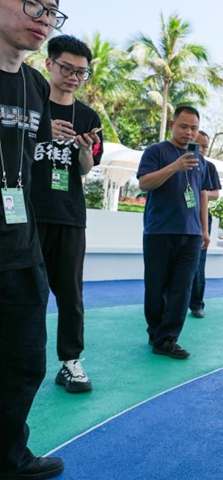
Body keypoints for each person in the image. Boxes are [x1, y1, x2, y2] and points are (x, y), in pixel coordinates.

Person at [0, 0, 66, 478]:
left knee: (25, 363)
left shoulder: (35, 85)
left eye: (54, 11)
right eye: (33, 4)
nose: (44, 17)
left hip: (23, 248)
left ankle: (10, 457)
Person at [30, 34, 103, 394]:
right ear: (49, 64)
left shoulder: (88, 116)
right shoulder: (30, 102)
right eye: (67, 68)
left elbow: (87, 169)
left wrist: (84, 149)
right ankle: (21, 359)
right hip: (27, 213)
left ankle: (70, 362)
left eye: (81, 72)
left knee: (71, 293)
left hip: (70, 214)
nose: (74, 77)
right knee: (24, 291)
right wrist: (44, 135)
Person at [137, 106, 212, 360]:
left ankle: (168, 338)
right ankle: (155, 330)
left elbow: (202, 194)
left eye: (194, 128)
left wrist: (203, 229)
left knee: (182, 288)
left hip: (191, 234)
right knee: (156, 287)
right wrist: (174, 167)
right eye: (184, 126)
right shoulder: (156, 152)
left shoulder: (200, 160)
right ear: (172, 125)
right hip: (159, 230)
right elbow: (145, 183)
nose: (189, 132)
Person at [188, 130, 220, 318]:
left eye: (205, 146)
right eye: (198, 145)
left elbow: (215, 192)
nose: (201, 149)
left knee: (198, 264)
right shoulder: (180, 162)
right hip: (182, 218)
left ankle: (197, 303)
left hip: (201, 219)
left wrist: (202, 193)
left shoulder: (209, 167)